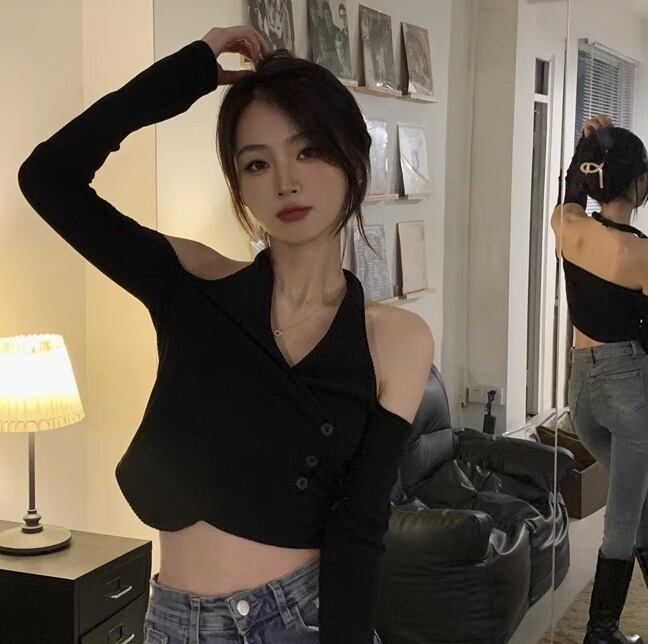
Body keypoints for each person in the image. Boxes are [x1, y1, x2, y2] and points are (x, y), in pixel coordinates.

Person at [17, 24, 434, 644]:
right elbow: (48, 177)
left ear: (353, 158)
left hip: (303, 622)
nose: (285, 182)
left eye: (308, 152)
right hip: (173, 624)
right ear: (239, 184)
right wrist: (188, 73)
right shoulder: (191, 286)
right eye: (257, 163)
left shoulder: (395, 338)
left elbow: (360, 525)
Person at [551, 114, 648, 644]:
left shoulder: (567, 226)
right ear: (637, 182)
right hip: (629, 386)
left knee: (641, 500)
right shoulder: (641, 254)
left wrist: (585, 146)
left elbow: (571, 190)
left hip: (581, 391)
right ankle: (600, 633)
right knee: (624, 518)